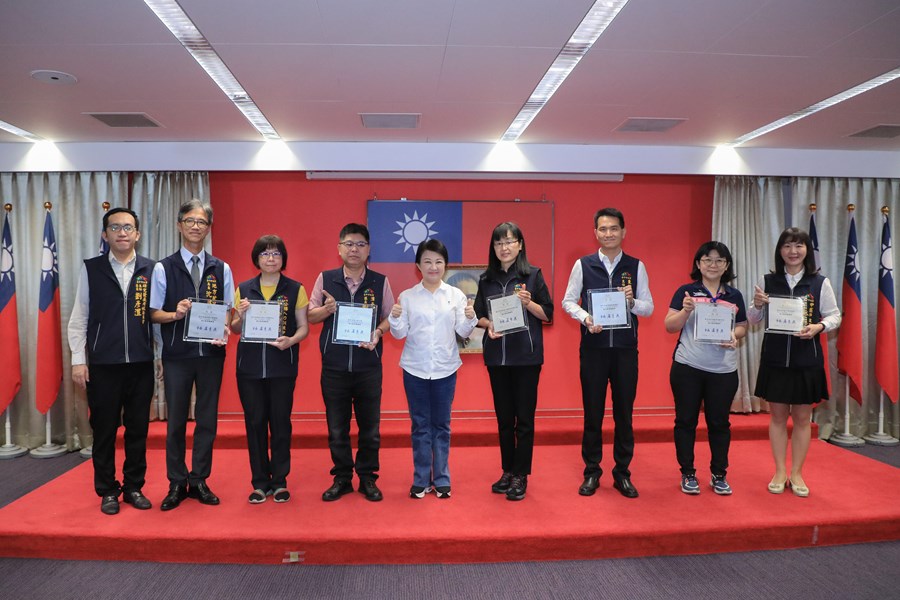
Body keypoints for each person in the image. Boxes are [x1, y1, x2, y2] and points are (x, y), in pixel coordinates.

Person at [68, 207, 158, 515]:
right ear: (105, 235)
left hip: (141, 364)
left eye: (128, 227)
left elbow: (156, 316)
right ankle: (107, 489)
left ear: (138, 234)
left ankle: (133, 487)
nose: (122, 232)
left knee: (137, 430)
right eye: (115, 227)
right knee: (104, 431)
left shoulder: (151, 269)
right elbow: (79, 317)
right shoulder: (92, 269)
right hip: (103, 365)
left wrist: (159, 354)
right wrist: (78, 360)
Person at [562, 207, 654, 498]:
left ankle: (622, 473)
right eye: (603, 229)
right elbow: (567, 301)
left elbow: (649, 308)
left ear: (623, 232)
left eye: (614, 228)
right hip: (594, 350)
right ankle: (592, 472)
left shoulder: (636, 266)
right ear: (595, 233)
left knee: (624, 414)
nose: (608, 233)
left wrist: (632, 303)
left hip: (625, 351)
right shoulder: (583, 265)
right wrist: (586, 318)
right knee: (593, 413)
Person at [150, 199, 234, 511]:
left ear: (208, 228)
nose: (195, 226)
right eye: (190, 221)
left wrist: (225, 327)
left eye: (201, 222)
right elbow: (153, 313)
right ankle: (176, 481)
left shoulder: (221, 268)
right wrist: (175, 314)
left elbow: (228, 310)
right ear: (179, 225)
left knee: (207, 421)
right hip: (177, 356)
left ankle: (199, 479)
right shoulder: (164, 267)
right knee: (175, 422)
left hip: (211, 355)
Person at [748, 227, 841, 498]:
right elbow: (753, 319)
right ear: (780, 250)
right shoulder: (768, 281)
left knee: (802, 419)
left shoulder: (819, 282)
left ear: (807, 251)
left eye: (799, 246)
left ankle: (797, 473)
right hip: (775, 360)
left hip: (806, 361)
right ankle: (779, 471)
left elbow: (835, 316)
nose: (793, 251)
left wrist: (819, 327)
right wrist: (757, 305)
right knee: (777, 417)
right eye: (787, 246)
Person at [307, 223, 394, 502]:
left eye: (360, 244)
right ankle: (342, 477)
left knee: (370, 428)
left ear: (368, 250)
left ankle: (367, 478)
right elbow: (310, 316)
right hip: (334, 368)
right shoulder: (326, 278)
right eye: (348, 244)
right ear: (339, 248)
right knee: (337, 428)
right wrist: (326, 309)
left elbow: (390, 318)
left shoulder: (380, 281)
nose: (354, 249)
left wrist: (378, 332)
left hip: (368, 367)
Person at [389, 239, 477, 499]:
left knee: (441, 426)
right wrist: (395, 318)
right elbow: (399, 334)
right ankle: (420, 479)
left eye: (438, 261)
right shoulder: (407, 297)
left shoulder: (456, 295)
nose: (433, 266)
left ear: (445, 265)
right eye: (427, 261)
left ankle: (441, 478)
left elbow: (462, 332)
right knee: (420, 426)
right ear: (418, 265)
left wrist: (470, 318)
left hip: (445, 369)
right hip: (414, 369)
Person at [474, 222, 553, 501]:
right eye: (498, 243)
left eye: (509, 242)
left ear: (520, 245)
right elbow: (478, 315)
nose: (504, 248)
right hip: (497, 358)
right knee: (504, 420)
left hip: (526, 358)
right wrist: (489, 324)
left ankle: (521, 474)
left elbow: (548, 314)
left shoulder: (533, 275)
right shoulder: (486, 279)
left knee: (525, 420)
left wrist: (529, 303)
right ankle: (507, 470)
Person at [230, 235, 309, 504]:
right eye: (265, 254)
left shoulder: (295, 289)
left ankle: (280, 481)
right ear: (257, 259)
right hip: (249, 369)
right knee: (254, 424)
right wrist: (241, 315)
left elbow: (304, 327)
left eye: (276, 254)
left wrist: (291, 341)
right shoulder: (244, 288)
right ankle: (260, 483)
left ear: (283, 258)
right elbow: (235, 328)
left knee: (280, 423)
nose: (271, 259)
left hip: (282, 368)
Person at [664, 241, 747, 496]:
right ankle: (688, 473)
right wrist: (685, 311)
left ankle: (719, 474)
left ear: (726, 266)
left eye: (719, 260)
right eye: (707, 260)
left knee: (719, 423)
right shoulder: (686, 292)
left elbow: (742, 327)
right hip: (688, 366)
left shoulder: (734, 295)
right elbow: (669, 326)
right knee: (685, 421)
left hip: (723, 370)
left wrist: (734, 335)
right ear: (698, 264)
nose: (713, 265)